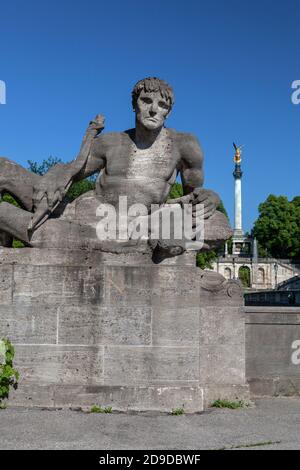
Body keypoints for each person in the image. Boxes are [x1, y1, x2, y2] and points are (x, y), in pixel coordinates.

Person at [0, 77, 223, 254]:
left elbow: (194, 197)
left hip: (114, 227)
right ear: (134, 104)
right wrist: (55, 173)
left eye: (162, 105)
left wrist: (212, 197)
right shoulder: (111, 141)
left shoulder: (184, 144)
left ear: (168, 112)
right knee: (3, 168)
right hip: (72, 208)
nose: (154, 110)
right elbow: (73, 172)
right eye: (146, 101)